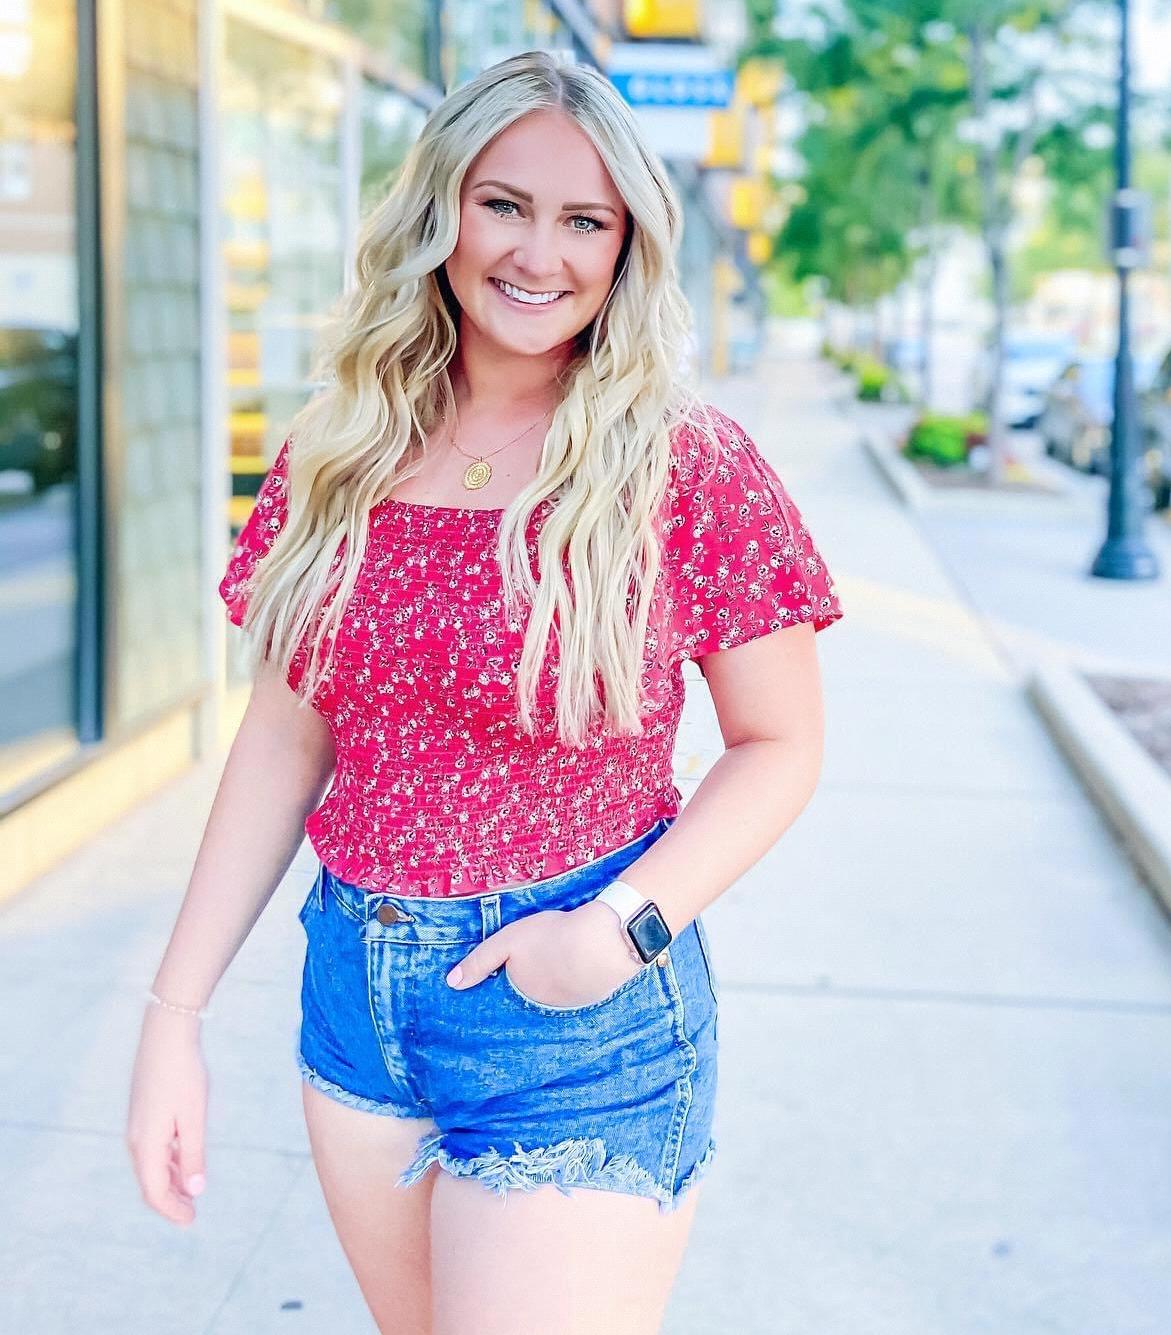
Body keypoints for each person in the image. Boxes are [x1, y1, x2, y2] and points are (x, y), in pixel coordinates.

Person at [125, 50, 843, 1335]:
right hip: (357, 999)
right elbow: (284, 738)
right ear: (440, 210)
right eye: (504, 204)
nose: (539, 253)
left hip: (579, 1015)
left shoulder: (682, 462)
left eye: (585, 221)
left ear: (627, 246)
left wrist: (616, 933)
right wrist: (173, 1017)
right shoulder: (340, 447)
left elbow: (781, 741)